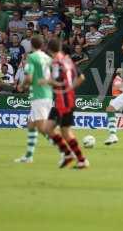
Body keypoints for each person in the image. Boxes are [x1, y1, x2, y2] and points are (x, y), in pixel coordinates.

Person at [40, 39, 89, 169]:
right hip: (62, 100)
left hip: (64, 101)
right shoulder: (67, 60)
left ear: (49, 49)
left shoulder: (56, 62)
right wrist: (70, 88)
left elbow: (57, 82)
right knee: (47, 128)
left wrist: (45, 81)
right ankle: (68, 154)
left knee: (65, 131)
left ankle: (81, 159)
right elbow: (82, 77)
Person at [14, 36, 53, 163]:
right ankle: (29, 156)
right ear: (42, 45)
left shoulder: (32, 57)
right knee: (31, 124)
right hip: (46, 94)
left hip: (39, 95)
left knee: (42, 128)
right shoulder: (48, 58)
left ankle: (67, 150)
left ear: (31, 45)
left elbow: (29, 78)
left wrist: (22, 85)